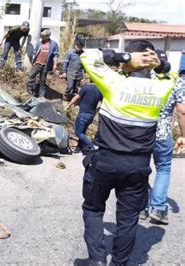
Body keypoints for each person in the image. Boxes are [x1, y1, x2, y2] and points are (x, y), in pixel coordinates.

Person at [74, 40, 177, 266]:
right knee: (128, 219)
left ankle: (97, 260)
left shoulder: (114, 83)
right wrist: (159, 66)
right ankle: (119, 263)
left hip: (105, 161)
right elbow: (170, 75)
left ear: (132, 61)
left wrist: (124, 57)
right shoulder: (163, 87)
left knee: (93, 209)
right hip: (138, 166)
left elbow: (87, 55)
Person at [140, 70, 185, 224]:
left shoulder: (142, 78)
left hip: (140, 132)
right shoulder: (175, 81)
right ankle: (158, 209)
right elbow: (182, 111)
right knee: (163, 169)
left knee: (141, 168)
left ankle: (141, 208)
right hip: (162, 134)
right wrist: (183, 135)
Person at [66, 84, 102, 154]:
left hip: (83, 113)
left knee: (78, 132)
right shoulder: (100, 90)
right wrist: (97, 110)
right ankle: (79, 149)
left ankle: (92, 146)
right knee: (83, 132)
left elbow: (77, 97)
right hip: (91, 115)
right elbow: (103, 103)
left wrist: (68, 105)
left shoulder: (86, 87)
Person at [25, 29, 59, 98]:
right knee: (31, 77)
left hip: (46, 65)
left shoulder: (54, 44)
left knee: (42, 81)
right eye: (41, 35)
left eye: (43, 36)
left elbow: (55, 55)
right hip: (37, 63)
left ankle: (41, 96)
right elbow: (35, 52)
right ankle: (30, 92)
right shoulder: (39, 43)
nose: (41, 37)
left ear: (48, 36)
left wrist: (55, 64)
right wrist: (33, 60)